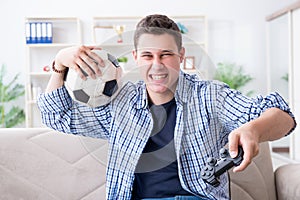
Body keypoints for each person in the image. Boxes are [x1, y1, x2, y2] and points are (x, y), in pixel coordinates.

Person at [37, 14, 296, 200]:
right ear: (136, 58)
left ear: (181, 56)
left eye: (166, 55)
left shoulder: (210, 96)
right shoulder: (119, 103)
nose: (157, 65)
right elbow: (56, 116)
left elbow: (284, 116)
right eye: (148, 56)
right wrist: (60, 63)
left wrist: (253, 129)